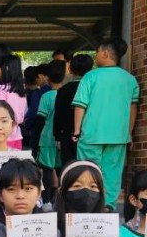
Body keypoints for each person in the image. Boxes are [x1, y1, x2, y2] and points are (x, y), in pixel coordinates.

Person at [72, 37, 139, 208]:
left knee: (88, 171)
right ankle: (108, 205)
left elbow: (80, 105)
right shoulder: (129, 79)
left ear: (105, 53)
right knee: (113, 173)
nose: (96, 56)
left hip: (92, 133)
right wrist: (129, 132)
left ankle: (88, 204)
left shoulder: (91, 76)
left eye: (97, 52)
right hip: (119, 135)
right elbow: (133, 108)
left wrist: (77, 130)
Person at [33, 59, 66, 201]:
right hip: (63, 139)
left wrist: (35, 142)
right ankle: (61, 200)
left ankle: (46, 201)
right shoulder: (67, 94)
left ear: (47, 77)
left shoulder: (46, 96)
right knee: (61, 170)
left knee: (47, 171)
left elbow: (40, 121)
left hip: (47, 139)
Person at [53, 53, 92, 167]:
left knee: (69, 167)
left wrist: (57, 136)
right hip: (90, 134)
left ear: (70, 69)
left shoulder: (64, 90)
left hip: (68, 134)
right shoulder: (94, 88)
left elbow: (58, 114)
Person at [0, 54, 29, 150]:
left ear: (5, 70)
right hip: (17, 135)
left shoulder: (1, 89)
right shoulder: (21, 91)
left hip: (2, 136)